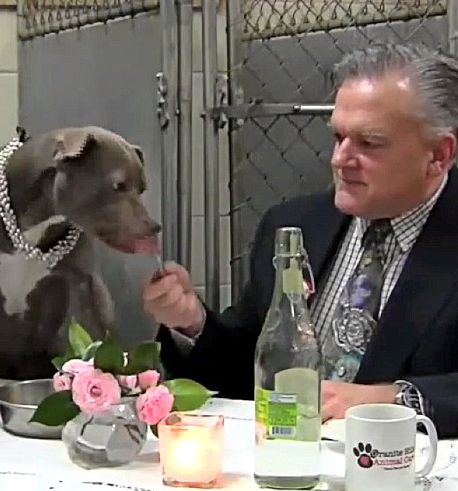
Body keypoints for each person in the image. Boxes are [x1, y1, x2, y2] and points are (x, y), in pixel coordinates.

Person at [143, 42, 458, 438]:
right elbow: (247, 371)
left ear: (439, 155)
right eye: (338, 137)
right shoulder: (293, 226)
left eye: (369, 143)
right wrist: (192, 324)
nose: (341, 159)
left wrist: (391, 399)